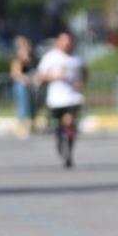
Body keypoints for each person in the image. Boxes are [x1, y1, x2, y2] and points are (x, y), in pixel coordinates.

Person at [36, 31, 84, 168]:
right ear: (58, 42)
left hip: (73, 97)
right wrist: (55, 77)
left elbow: (84, 72)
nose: (67, 44)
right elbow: (40, 76)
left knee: (69, 122)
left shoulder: (77, 58)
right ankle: (59, 142)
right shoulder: (50, 58)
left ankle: (69, 152)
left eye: (69, 41)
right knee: (59, 127)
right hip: (56, 99)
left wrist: (81, 82)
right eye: (64, 41)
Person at [9, 36, 36, 137]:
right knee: (23, 107)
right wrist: (27, 79)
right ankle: (22, 128)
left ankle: (30, 126)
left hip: (30, 86)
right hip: (21, 87)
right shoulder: (18, 60)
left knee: (31, 107)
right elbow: (15, 74)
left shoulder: (31, 59)